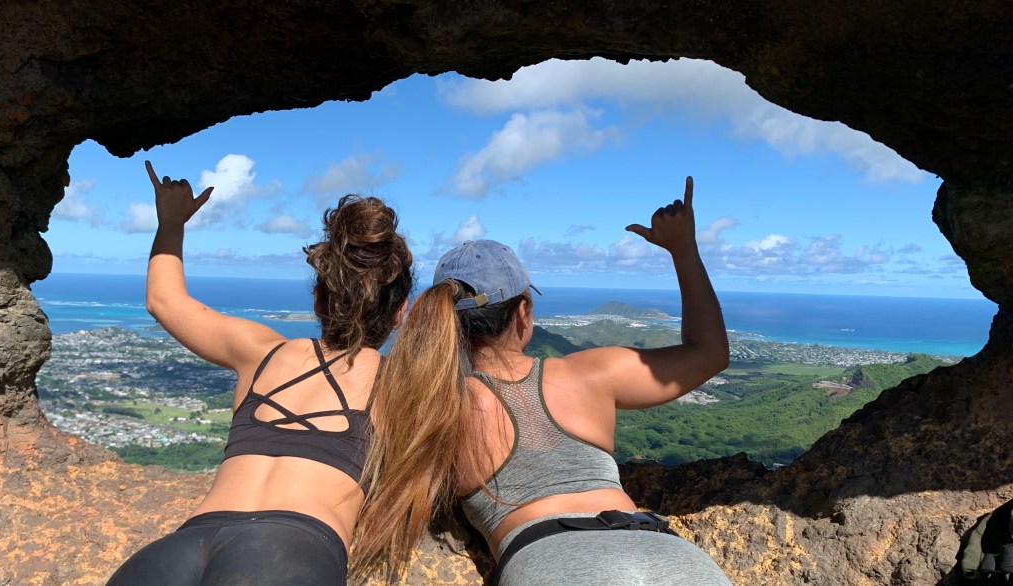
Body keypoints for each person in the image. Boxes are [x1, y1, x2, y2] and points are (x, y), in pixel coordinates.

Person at [350, 176, 733, 585]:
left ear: (448, 323)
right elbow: (709, 353)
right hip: (664, 553)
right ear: (523, 312)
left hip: (549, 560)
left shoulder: (435, 404)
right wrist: (683, 248)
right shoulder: (589, 373)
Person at [106, 161, 414, 586]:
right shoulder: (400, 382)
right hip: (289, 552)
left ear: (318, 299)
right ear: (400, 312)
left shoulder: (261, 352)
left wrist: (171, 222)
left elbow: (164, 300)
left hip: (177, 549)